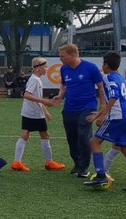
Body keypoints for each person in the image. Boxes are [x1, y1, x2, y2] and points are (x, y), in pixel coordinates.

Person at [83, 52, 126, 193]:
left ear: (105, 65)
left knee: (94, 142)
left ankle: (101, 175)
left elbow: (114, 95)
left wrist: (100, 114)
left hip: (118, 116)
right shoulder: (120, 77)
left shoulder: (108, 77)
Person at [45, 43, 105, 177]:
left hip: (87, 107)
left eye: (62, 56)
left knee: (84, 136)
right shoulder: (64, 69)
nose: (60, 59)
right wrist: (60, 95)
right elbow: (63, 85)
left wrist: (102, 108)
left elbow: (101, 88)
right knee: (72, 138)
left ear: (72, 55)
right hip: (69, 108)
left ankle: (84, 167)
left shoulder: (90, 67)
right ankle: (77, 164)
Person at [11, 57, 65, 172]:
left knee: (25, 135)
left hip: (29, 112)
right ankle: (49, 162)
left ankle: (17, 162)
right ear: (39, 68)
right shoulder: (35, 80)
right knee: (45, 136)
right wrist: (46, 102)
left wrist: (45, 111)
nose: (46, 68)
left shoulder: (35, 79)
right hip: (33, 113)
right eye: (45, 67)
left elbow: (36, 98)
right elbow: (27, 95)